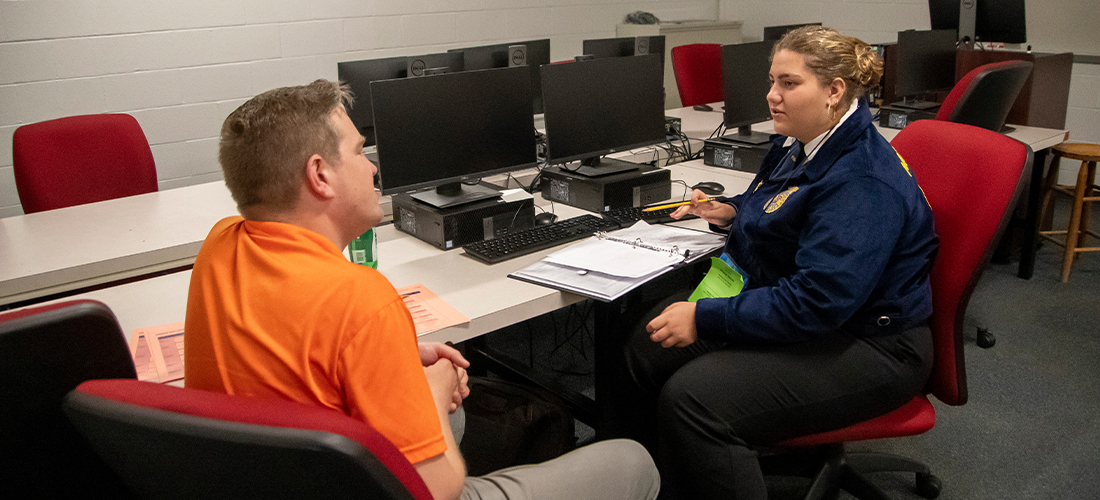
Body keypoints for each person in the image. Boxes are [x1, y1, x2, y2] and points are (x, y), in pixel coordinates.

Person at [184, 79, 659, 500]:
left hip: (273, 481)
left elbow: (294, 341)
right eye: (359, 152)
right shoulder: (361, 298)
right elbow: (435, 491)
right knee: (632, 461)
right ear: (320, 175)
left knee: (456, 414)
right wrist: (431, 390)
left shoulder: (220, 245)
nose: (373, 168)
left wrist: (393, 354)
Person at [622, 26, 939, 499]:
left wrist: (705, 317)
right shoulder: (808, 139)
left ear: (834, 91)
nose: (772, 95)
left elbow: (817, 301)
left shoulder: (862, 181)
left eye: (789, 83)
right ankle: (644, 485)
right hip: (811, 309)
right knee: (647, 343)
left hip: (872, 345)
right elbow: (786, 202)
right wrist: (733, 209)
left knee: (696, 400)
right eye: (772, 81)